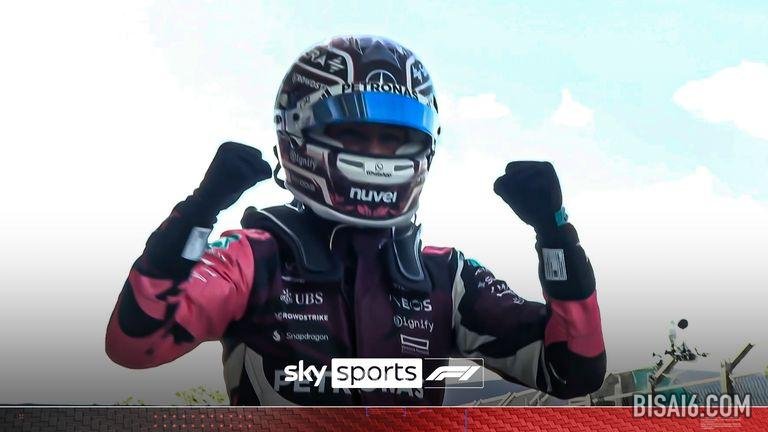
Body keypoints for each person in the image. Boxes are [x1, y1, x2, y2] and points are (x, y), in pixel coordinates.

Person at [105, 35, 606, 406]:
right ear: (298, 135)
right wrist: (198, 211)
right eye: (356, 134)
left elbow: (572, 371)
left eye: (393, 140)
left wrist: (555, 235)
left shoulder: (446, 275)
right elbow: (135, 343)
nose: (378, 154)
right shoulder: (254, 258)